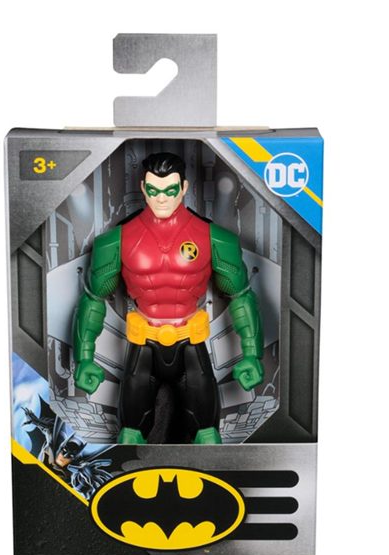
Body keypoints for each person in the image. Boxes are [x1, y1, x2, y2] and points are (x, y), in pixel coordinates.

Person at [73, 152, 263, 444]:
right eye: (153, 190)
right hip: (143, 346)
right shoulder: (115, 241)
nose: (161, 198)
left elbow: (241, 297)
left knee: (208, 436)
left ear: (184, 187)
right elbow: (93, 300)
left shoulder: (214, 239)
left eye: (170, 190)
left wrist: (251, 353)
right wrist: (84, 357)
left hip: (190, 344)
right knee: (129, 437)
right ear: (143, 187)